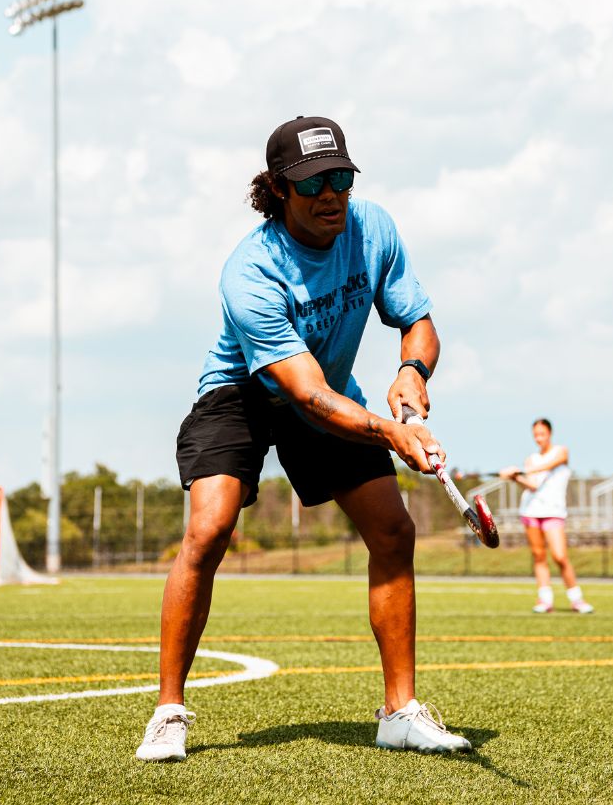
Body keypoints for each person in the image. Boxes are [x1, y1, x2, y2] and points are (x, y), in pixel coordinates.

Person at [136, 115, 472, 762]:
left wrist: (412, 371)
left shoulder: (371, 228)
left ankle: (400, 711)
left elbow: (420, 325)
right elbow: (306, 395)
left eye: (341, 178)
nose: (331, 195)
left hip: (329, 391)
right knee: (209, 530)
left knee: (394, 531)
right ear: (279, 190)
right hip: (242, 393)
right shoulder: (250, 271)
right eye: (314, 182)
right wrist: (394, 431)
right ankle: (169, 712)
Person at [500, 418, 593, 614]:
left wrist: (521, 470)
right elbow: (532, 485)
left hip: (554, 512)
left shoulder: (561, 452)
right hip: (531, 511)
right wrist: (516, 477)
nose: (539, 438)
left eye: (542, 434)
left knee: (560, 556)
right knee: (539, 555)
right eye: (535, 435)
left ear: (549, 433)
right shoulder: (531, 459)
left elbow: (548, 466)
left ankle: (577, 599)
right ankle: (545, 600)